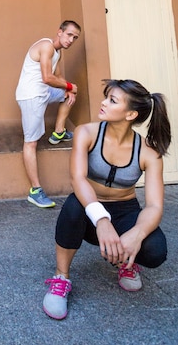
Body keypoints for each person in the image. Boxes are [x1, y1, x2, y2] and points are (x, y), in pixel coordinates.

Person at [42, 79, 171, 320]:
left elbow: (154, 205)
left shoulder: (148, 153)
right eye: (106, 97)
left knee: (155, 250)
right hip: (88, 210)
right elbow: (78, 178)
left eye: (112, 100)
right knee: (72, 206)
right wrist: (101, 220)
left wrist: (137, 234)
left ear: (131, 114)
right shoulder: (86, 132)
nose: (103, 102)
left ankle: (126, 262)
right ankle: (61, 277)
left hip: (125, 210)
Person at [15, 20, 81, 208]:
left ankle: (58, 131)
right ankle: (35, 191)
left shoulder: (57, 53)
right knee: (31, 142)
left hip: (43, 93)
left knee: (70, 94)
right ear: (59, 32)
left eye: (75, 38)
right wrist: (69, 86)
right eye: (69, 35)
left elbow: (58, 77)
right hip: (31, 96)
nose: (71, 40)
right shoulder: (46, 46)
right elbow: (47, 77)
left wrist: (68, 89)